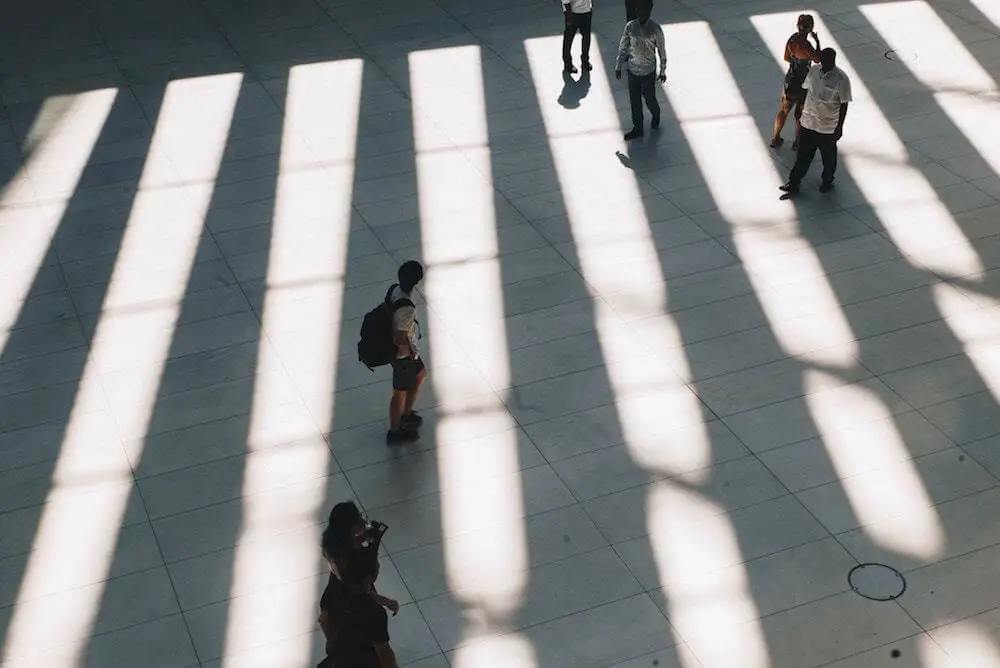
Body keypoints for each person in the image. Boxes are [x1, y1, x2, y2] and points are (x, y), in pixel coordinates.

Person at [779, 48, 852, 199]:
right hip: (809, 123)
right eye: (821, 59)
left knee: (828, 157)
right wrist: (801, 112)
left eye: (825, 60)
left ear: (832, 60)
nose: (822, 62)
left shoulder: (841, 79)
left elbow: (844, 104)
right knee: (803, 156)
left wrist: (839, 127)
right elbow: (805, 90)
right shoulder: (813, 71)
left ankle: (827, 181)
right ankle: (793, 183)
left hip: (826, 127)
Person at [319, 540, 399, 668]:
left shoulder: (336, 583)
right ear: (368, 578)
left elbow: (323, 619)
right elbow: (384, 652)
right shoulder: (375, 613)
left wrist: (336, 646)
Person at [614, 0, 667, 141]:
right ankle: (638, 128)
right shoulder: (630, 26)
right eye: (639, 9)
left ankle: (656, 113)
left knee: (649, 99)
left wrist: (662, 71)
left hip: (648, 72)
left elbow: (662, 51)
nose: (641, 12)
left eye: (644, 9)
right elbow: (623, 46)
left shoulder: (655, 29)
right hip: (632, 70)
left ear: (649, 10)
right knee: (635, 101)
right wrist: (618, 65)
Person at [386, 261, 426, 444]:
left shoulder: (394, 290)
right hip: (403, 356)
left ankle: (407, 414)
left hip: (407, 354)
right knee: (399, 392)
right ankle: (395, 431)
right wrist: (409, 354)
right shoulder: (407, 309)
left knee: (420, 374)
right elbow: (400, 337)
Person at [770, 15, 821, 150]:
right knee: (799, 114)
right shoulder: (806, 44)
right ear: (810, 28)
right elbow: (817, 59)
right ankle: (798, 142)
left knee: (783, 110)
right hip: (803, 82)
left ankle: (775, 138)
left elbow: (786, 58)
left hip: (790, 80)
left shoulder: (792, 39)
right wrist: (817, 42)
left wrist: (796, 61)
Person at [562, 0, 593, 74]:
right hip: (573, 13)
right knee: (568, 39)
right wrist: (569, 16)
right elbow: (565, 1)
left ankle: (585, 60)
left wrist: (590, 7)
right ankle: (568, 64)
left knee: (586, 37)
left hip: (586, 11)